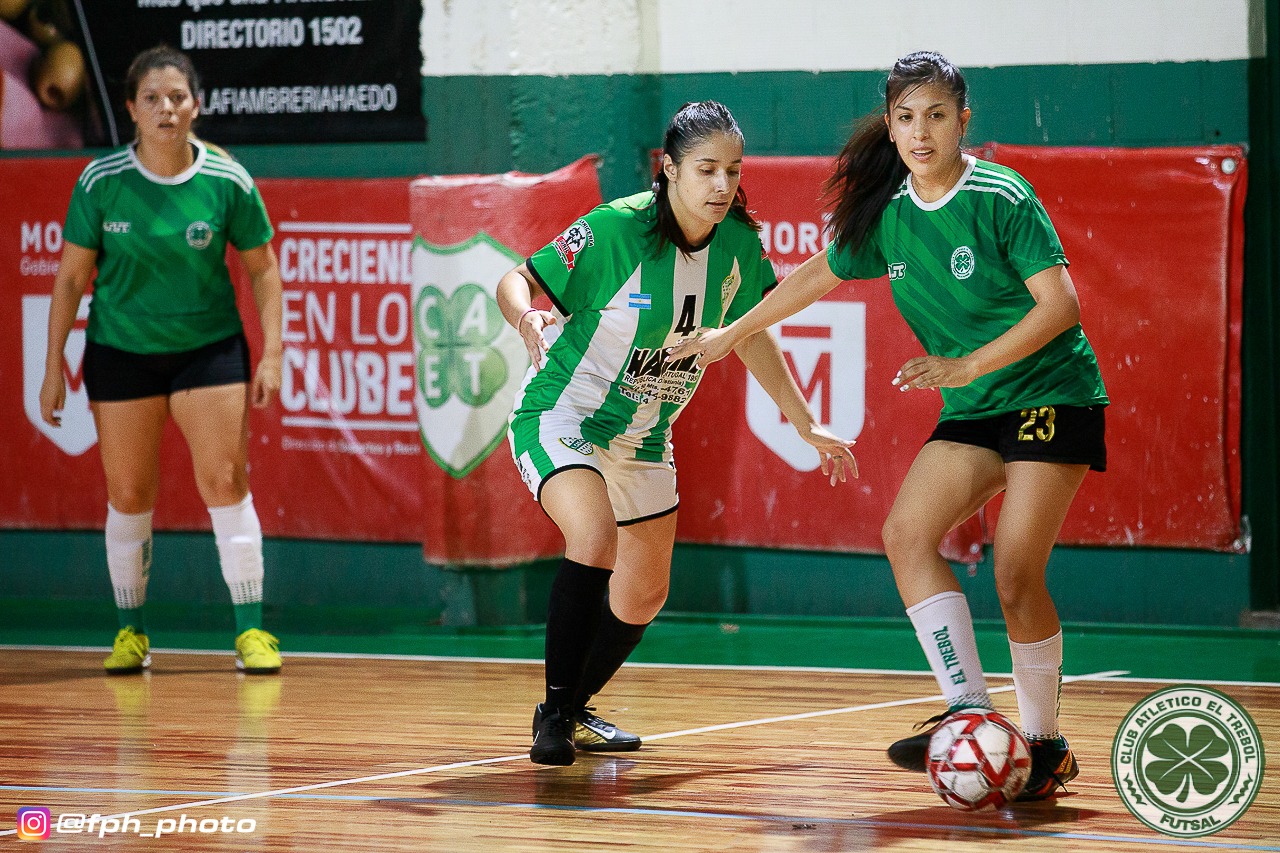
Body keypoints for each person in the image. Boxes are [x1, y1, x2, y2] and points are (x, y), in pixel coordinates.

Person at [670, 53, 1108, 801]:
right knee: (906, 534)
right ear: (891, 125)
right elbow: (815, 274)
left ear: (963, 120)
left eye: (936, 115)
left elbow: (1060, 305)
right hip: (974, 410)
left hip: (1051, 393)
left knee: (1013, 571)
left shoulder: (1001, 195)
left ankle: (1042, 744)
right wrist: (724, 335)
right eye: (906, 118)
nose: (921, 131)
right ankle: (968, 707)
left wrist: (966, 366)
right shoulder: (890, 213)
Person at [497, 101, 859, 766]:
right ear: (669, 169)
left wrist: (804, 420)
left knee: (644, 590)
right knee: (594, 534)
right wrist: (526, 320)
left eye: (732, 170)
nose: (721, 184)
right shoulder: (617, 229)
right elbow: (515, 280)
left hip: (645, 433)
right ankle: (553, 715)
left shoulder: (740, 246)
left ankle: (573, 706)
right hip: (565, 414)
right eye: (706, 169)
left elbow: (750, 339)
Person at [39, 45, 284, 676]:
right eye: (152, 98)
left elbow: (263, 271)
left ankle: (251, 630)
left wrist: (273, 354)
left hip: (209, 351)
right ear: (130, 109)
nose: (166, 108)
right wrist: (50, 368)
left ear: (196, 105)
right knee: (128, 493)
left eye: (177, 97)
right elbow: (69, 279)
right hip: (122, 353)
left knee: (226, 483)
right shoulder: (101, 182)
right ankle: (131, 632)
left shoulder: (228, 180)